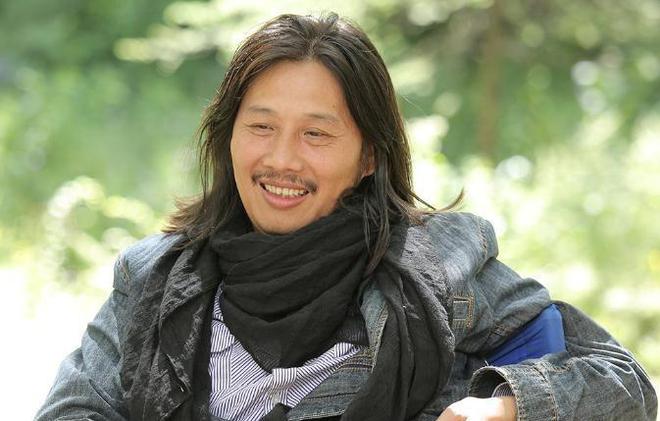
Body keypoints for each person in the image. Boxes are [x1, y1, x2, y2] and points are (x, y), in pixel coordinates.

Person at [36, 13, 657, 421]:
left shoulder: (447, 269)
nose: (282, 159)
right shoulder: (154, 278)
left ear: (369, 157)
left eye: (316, 134)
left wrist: (507, 406)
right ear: (227, 138)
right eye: (261, 127)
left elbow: (624, 385)